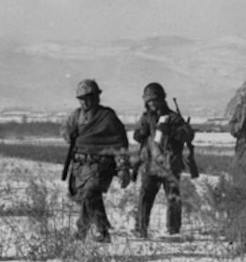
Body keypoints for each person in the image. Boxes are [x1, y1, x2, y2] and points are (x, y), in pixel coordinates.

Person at [61, 79, 131, 242]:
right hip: (80, 166)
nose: (85, 101)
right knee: (91, 198)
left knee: (90, 193)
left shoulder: (107, 117)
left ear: (97, 97)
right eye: (82, 98)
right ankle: (102, 232)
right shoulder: (76, 115)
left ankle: (83, 230)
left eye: (89, 97)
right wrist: (68, 134)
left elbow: (119, 143)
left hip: (101, 165)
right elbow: (65, 129)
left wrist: (123, 168)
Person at [131, 82, 195, 238]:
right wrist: (140, 133)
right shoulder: (146, 118)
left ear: (161, 99)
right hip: (150, 165)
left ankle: (173, 230)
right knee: (145, 196)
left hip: (170, 165)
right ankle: (141, 228)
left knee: (173, 198)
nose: (152, 103)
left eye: (154, 100)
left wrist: (172, 131)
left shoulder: (173, 117)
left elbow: (188, 135)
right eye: (149, 101)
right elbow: (138, 136)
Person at [227, 78, 246, 184]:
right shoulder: (239, 108)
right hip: (241, 141)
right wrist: (236, 128)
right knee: (237, 166)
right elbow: (232, 123)